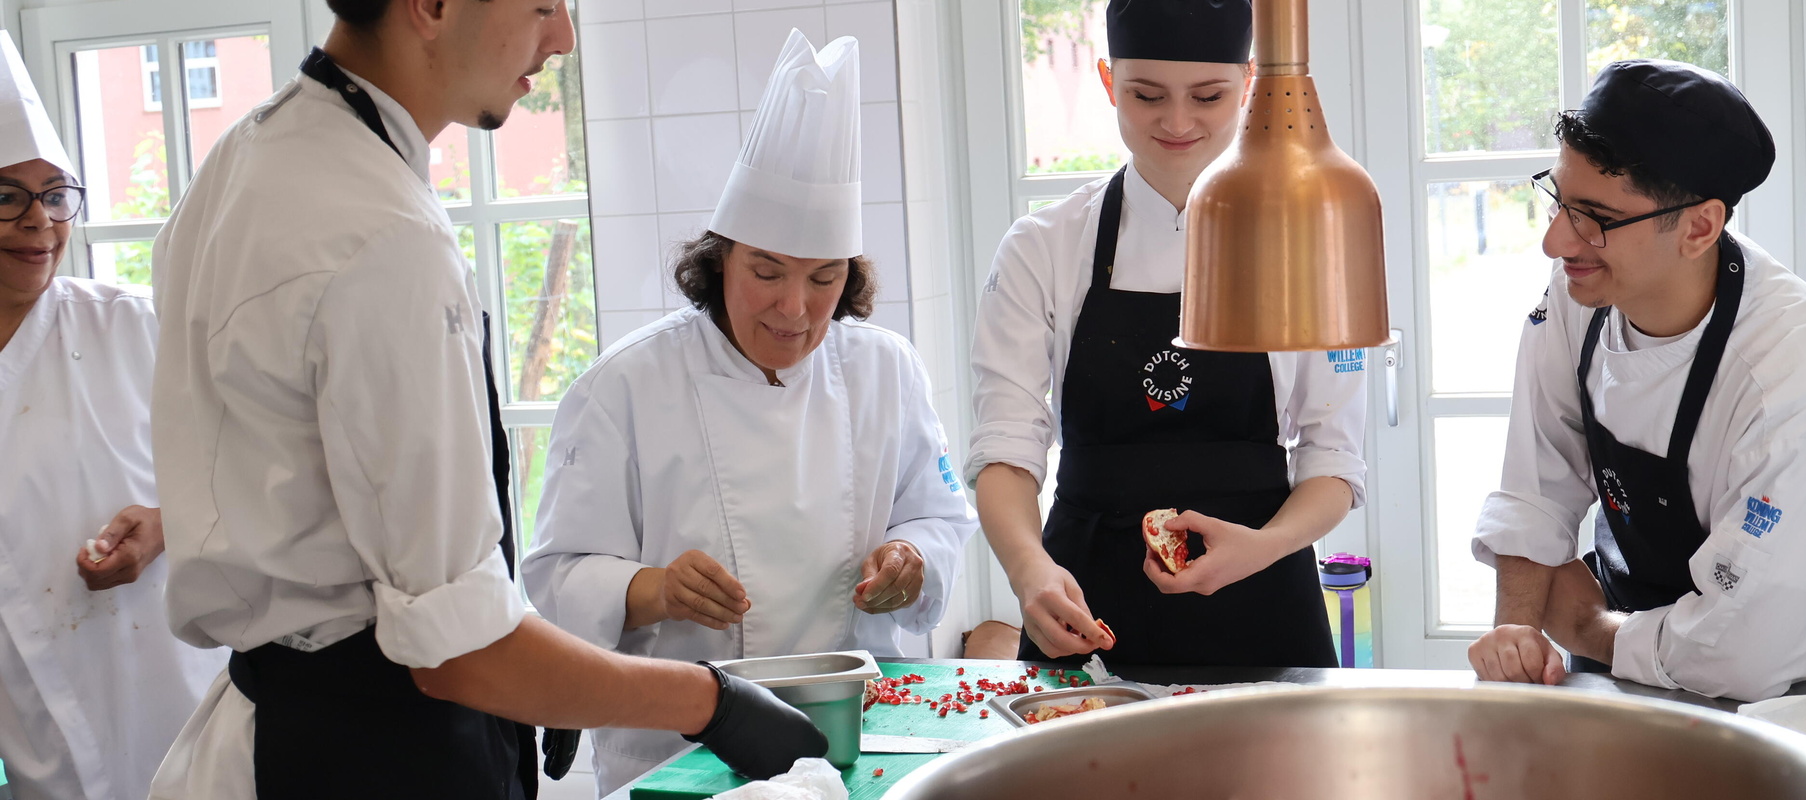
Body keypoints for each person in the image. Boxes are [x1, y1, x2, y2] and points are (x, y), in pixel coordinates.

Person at [143, 2, 825, 797]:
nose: (564, 38)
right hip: (363, 754)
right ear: (431, 7)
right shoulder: (382, 235)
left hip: (283, 725)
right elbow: (457, 654)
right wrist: (711, 702)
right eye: (541, 4)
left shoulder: (248, 157)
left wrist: (554, 676)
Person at [524, 29, 976, 793]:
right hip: (679, 753)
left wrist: (911, 560)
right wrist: (653, 588)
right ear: (721, 256)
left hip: (858, 736)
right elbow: (556, 577)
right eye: (767, 272)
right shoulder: (623, 387)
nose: (795, 310)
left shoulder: (886, 370)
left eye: (824, 279)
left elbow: (937, 516)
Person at [1468, 60, 1806, 702]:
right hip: (1621, 656)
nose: (1556, 242)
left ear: (1699, 227)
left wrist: (1588, 627)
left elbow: (1748, 649)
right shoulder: (1580, 293)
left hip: (1780, 699)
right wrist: (1516, 632)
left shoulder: (1791, 373)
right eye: (1558, 200)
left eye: (1594, 217)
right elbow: (1537, 482)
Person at [968, 0, 1367, 668]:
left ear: (1247, 84)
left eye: (1207, 96)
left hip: (1263, 593)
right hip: (1083, 598)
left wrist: (1264, 547)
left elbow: (1334, 461)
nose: (1177, 121)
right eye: (1146, 94)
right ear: (1107, 81)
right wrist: (1027, 570)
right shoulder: (1042, 248)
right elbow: (1005, 445)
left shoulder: (1307, 245)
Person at [0, 33, 225, 800]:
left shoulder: (134, 325)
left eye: (57, 195)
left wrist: (170, 520)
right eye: (6, 196)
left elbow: (267, 470)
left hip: (182, 704)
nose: (41, 222)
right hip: (33, 733)